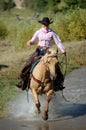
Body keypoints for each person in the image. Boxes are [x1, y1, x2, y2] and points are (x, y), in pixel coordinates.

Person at [16, 17, 66, 91]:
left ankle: (58, 84)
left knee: (56, 66)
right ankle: (24, 82)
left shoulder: (52, 32)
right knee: (28, 64)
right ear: (42, 24)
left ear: (48, 24)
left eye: (46, 24)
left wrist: (62, 49)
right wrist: (30, 42)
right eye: (44, 24)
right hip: (39, 51)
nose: (45, 25)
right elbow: (33, 40)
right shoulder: (38, 32)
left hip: (49, 52)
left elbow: (58, 42)